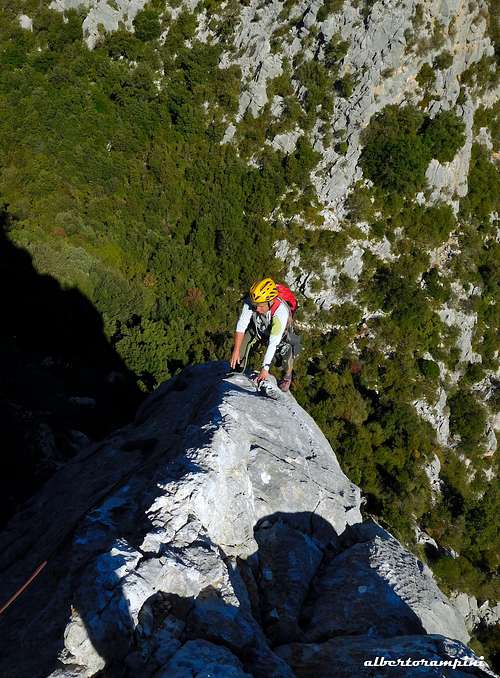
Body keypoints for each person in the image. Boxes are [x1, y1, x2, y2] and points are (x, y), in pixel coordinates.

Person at [229, 278, 301, 392]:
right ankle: (238, 371)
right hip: (257, 330)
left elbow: (273, 342)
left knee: (283, 361)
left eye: (261, 306)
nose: (257, 309)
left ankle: (288, 375)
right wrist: (236, 350)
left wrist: (265, 368)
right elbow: (241, 325)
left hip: (278, 338)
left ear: (270, 301)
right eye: (255, 305)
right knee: (237, 355)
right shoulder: (251, 301)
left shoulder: (280, 313)